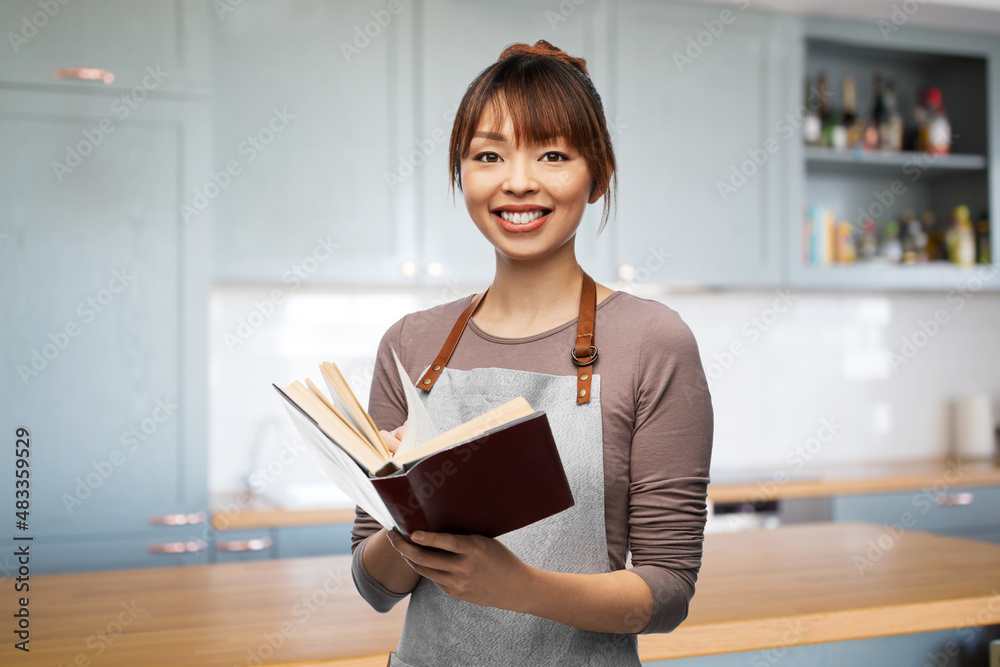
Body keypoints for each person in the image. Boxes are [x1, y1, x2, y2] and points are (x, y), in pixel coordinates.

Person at [350, 39, 714, 667]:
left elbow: (668, 594)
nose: (518, 182)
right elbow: (375, 586)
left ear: (597, 175)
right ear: (462, 174)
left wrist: (518, 588)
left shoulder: (654, 343)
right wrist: (407, 512)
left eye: (552, 154)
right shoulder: (411, 344)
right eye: (488, 155)